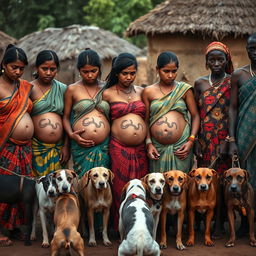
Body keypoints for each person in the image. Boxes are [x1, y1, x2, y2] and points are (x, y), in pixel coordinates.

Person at [102, 53, 148, 230]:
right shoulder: (107, 94)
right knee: (120, 188)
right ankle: (120, 226)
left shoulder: (142, 92)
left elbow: (148, 119)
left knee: (142, 187)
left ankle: (141, 224)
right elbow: (104, 120)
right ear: (116, 73)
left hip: (140, 149)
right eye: (124, 73)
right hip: (118, 148)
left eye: (132, 73)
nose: (129, 77)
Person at [142, 51, 199, 173]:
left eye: (174, 71)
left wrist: (191, 140)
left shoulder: (184, 90)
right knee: (158, 186)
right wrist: (149, 143)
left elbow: (195, 116)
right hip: (158, 148)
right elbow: (145, 120)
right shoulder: (148, 91)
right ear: (157, 69)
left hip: (181, 147)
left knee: (181, 185)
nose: (170, 75)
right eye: (166, 71)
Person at [0, 44, 34, 246]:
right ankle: (1, 229)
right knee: (3, 189)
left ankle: (15, 228)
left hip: (24, 148)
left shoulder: (24, 87)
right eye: (14, 67)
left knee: (22, 189)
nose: (18, 72)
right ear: (3, 65)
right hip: (5, 146)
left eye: (21, 68)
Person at [63, 48, 110, 178]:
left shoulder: (108, 88)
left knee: (103, 183)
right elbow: (66, 118)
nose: (90, 75)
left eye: (93, 71)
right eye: (85, 72)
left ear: (99, 69)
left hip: (104, 146)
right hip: (81, 148)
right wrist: (72, 136)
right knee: (84, 183)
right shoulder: (72, 89)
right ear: (79, 71)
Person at [229, 33, 256, 232]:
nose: (254, 52)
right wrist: (232, 139)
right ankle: (246, 224)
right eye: (250, 48)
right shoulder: (239, 75)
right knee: (247, 179)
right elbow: (233, 108)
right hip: (245, 135)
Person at [194, 42, 234, 173]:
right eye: (212, 60)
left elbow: (235, 111)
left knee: (225, 177)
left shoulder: (233, 81)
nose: (216, 64)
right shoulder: (200, 83)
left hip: (225, 138)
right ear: (207, 62)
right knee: (205, 178)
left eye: (220, 60)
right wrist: (195, 140)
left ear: (226, 61)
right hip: (204, 139)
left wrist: (229, 140)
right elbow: (195, 114)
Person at [30, 50, 69, 176]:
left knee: (59, 187)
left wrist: (66, 146)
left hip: (58, 148)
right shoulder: (28, 89)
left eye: (52, 69)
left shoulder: (63, 89)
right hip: (36, 148)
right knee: (37, 188)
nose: (48, 73)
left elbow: (68, 118)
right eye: (44, 68)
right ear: (37, 68)